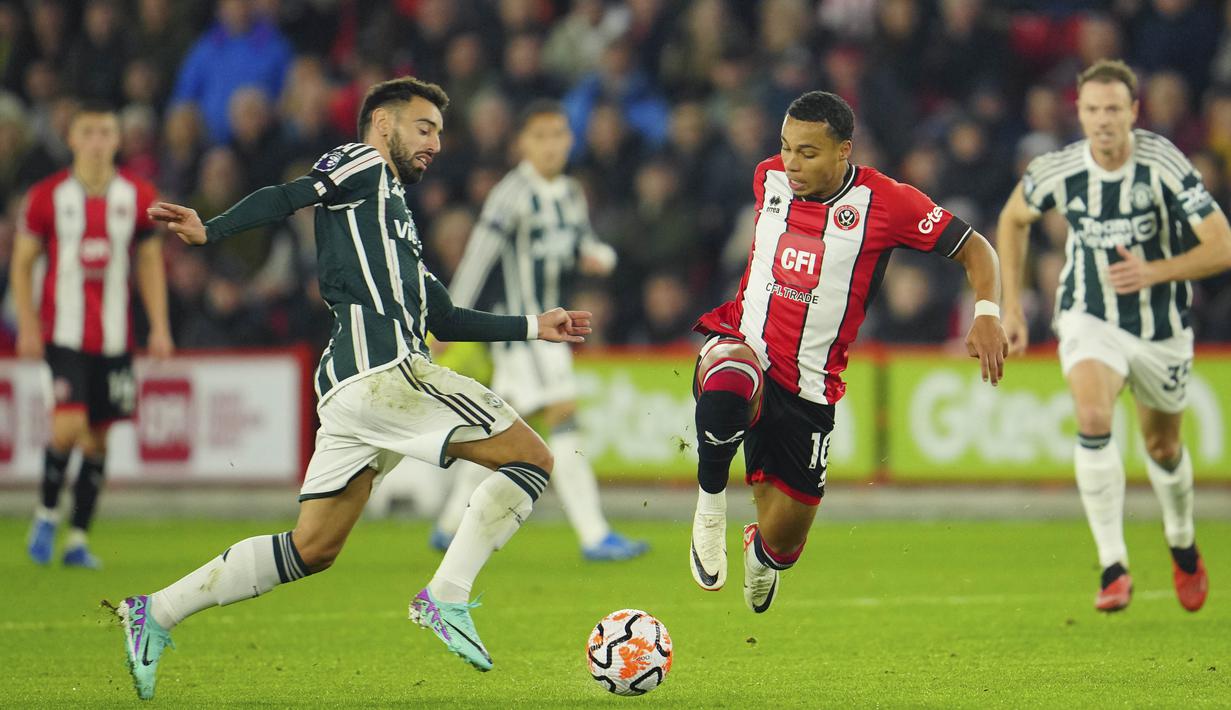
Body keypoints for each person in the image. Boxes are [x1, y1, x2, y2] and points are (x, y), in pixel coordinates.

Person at [110, 77, 592, 699]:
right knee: (533, 458)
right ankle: (446, 595)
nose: (436, 144)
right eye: (424, 129)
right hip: (385, 370)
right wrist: (214, 228)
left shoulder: (394, 221)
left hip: (350, 392)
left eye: (441, 133)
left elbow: (442, 317)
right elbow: (293, 194)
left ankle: (157, 612)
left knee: (312, 548)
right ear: (383, 125)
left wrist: (534, 325)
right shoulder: (361, 161)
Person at [688, 90, 1007, 613]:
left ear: (844, 151)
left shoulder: (888, 204)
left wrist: (987, 313)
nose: (790, 163)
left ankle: (764, 556)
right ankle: (709, 506)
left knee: (784, 539)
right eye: (786, 147)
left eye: (807, 153)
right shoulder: (766, 177)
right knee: (731, 376)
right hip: (743, 345)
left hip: (809, 387)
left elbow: (975, 247)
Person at [997, 59, 1229, 613]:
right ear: (1078, 112)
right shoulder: (1059, 168)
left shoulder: (1163, 163)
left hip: (1160, 327)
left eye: (1114, 110)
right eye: (1094, 109)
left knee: (1162, 446)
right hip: (1087, 312)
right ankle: (1113, 566)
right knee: (1094, 418)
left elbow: (1221, 244)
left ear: (1134, 113)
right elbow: (1012, 218)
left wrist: (1155, 271)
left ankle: (1181, 543)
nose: (1103, 121)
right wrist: (1011, 307)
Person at [430, 100, 647, 561]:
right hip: (525, 331)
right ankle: (594, 535)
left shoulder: (569, 191)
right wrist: (447, 317)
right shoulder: (511, 195)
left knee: (501, 429)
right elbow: (479, 256)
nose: (551, 146)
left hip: (551, 330)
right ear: (522, 145)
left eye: (558, 136)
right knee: (562, 419)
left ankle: (450, 524)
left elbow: (581, 242)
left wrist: (599, 255)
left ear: (570, 141)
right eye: (540, 136)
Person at [13, 102, 173, 569]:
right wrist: (26, 322)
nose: (98, 141)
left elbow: (148, 264)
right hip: (63, 335)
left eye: (106, 132)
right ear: (73, 139)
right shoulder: (47, 197)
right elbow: (22, 264)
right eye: (89, 132)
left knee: (100, 442)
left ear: (117, 140)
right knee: (68, 428)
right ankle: (46, 513)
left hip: (115, 339)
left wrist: (159, 326)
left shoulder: (137, 195)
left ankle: (77, 539)